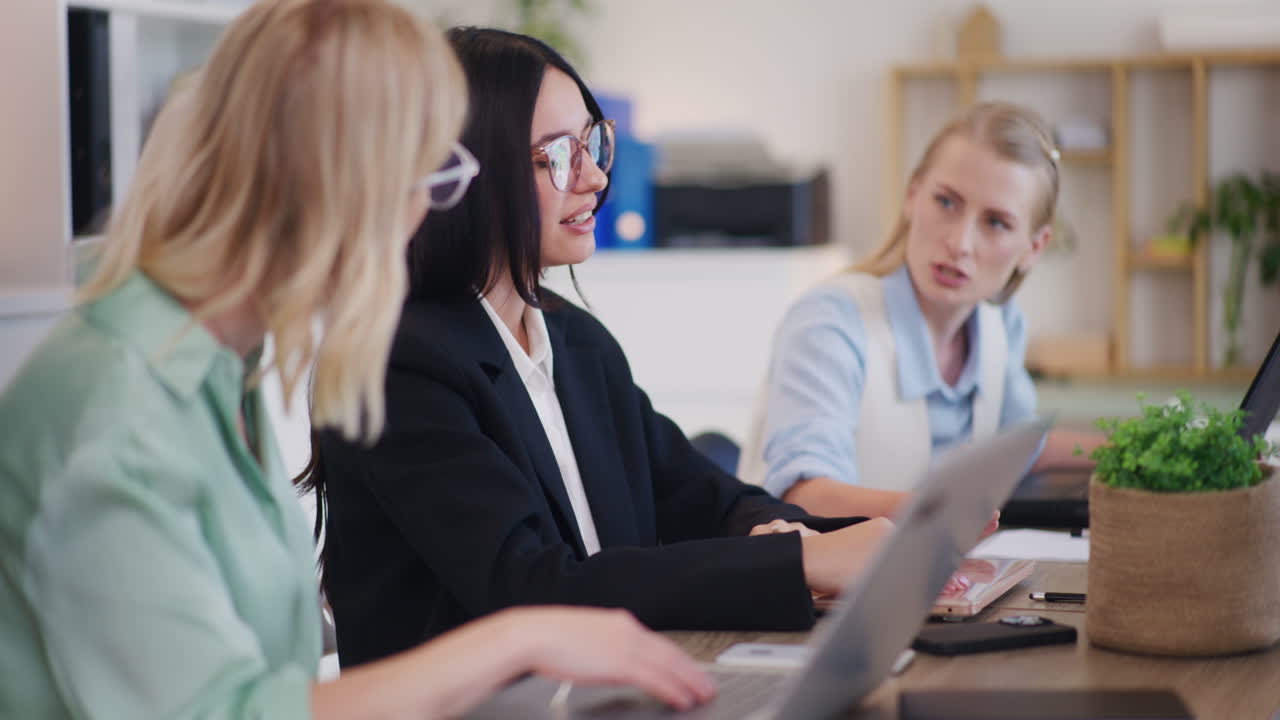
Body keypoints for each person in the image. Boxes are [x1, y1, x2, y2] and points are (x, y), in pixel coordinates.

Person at [0, 2, 717, 717]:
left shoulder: (222, 370)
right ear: (326, 184)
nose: (430, 215)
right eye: (426, 179)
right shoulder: (116, 420)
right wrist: (519, 638)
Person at [299, 27, 895, 669]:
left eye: (592, 143)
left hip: (602, 690)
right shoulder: (398, 364)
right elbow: (533, 587)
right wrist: (796, 561)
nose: (593, 176)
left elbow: (704, 498)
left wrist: (828, 539)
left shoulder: (578, 342)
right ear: (469, 175)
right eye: (556, 155)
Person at [737, 101, 1103, 519]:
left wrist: (1135, 445)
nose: (960, 243)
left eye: (996, 222)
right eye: (946, 202)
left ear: (1034, 248)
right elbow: (803, 497)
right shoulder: (830, 322)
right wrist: (938, 517)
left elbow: (1016, 445)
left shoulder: (1000, 324)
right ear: (912, 196)